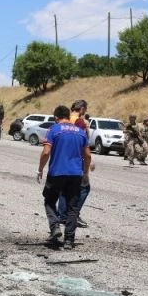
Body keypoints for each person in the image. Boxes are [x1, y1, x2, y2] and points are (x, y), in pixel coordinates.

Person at [37, 105, 91, 250]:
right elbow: (88, 155)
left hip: (57, 173)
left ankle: (55, 228)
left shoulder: (53, 130)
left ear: (56, 118)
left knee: (49, 201)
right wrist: (85, 173)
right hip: (75, 174)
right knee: (72, 207)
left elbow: (46, 152)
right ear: (68, 116)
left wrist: (40, 169)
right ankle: (68, 241)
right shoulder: (80, 132)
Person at [57, 99, 92, 229]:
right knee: (84, 188)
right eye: (85, 109)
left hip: (62, 157)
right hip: (77, 158)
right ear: (82, 108)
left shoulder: (64, 119)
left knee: (63, 187)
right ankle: (73, 214)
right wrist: (89, 161)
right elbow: (81, 142)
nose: (85, 112)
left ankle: (62, 215)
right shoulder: (80, 122)